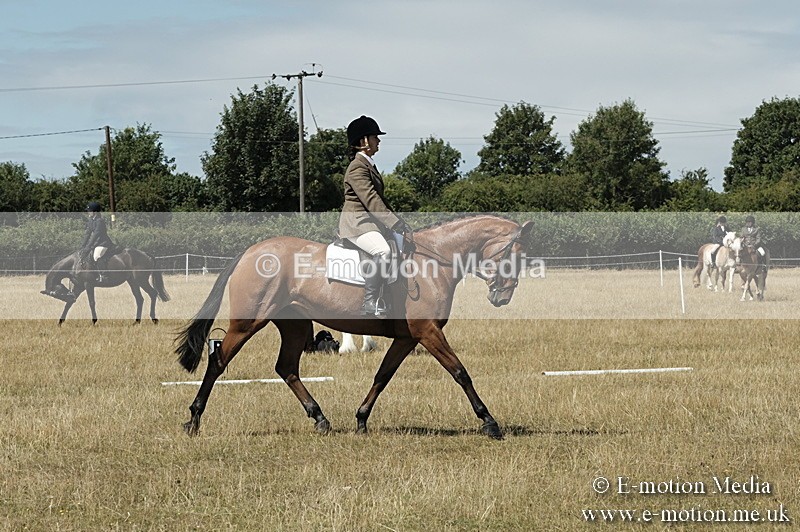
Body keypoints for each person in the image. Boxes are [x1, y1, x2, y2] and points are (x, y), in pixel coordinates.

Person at [338, 115, 410, 318]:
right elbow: (371, 199)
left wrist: (399, 221)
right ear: (363, 141)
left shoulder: (368, 165)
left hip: (371, 223)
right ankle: (370, 302)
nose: (379, 141)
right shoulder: (357, 168)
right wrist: (394, 223)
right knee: (383, 251)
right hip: (357, 224)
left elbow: (380, 200)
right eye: (375, 137)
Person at [80, 201, 114, 282]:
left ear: (95, 212)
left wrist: (88, 247)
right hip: (96, 244)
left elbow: (96, 235)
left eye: (89, 211)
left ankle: (104, 275)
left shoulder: (100, 221)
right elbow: (87, 234)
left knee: (96, 256)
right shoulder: (91, 220)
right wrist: (82, 246)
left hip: (103, 243)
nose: (88, 212)